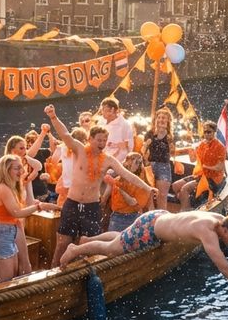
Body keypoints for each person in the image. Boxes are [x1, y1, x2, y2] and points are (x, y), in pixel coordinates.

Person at [60, 210, 228, 311]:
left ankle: (89, 239)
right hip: (150, 229)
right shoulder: (207, 232)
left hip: (157, 218)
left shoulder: (223, 221)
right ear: (225, 230)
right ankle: (75, 249)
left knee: (122, 240)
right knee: (112, 249)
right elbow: (224, 267)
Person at [44, 104, 156, 268]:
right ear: (90, 139)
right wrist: (53, 116)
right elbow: (65, 134)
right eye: (99, 140)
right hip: (72, 203)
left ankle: (85, 272)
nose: (102, 143)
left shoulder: (108, 160)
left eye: (105, 140)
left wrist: (147, 188)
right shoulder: (79, 150)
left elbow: (127, 174)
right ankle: (53, 270)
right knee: (62, 243)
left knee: (87, 245)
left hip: (91, 207)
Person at [0, 155, 59, 281]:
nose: (21, 171)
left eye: (21, 168)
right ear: (6, 170)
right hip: (1, 234)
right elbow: (17, 213)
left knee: (11, 277)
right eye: (17, 168)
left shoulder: (11, 186)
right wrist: (39, 206)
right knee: (6, 279)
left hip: (9, 231)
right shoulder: (3, 188)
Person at [172, 120, 227, 207]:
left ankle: (186, 211)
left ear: (215, 132)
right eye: (205, 132)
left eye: (209, 132)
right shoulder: (202, 144)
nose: (207, 134)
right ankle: (188, 202)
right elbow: (193, 160)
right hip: (200, 175)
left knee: (184, 189)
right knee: (175, 186)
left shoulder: (220, 147)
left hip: (213, 179)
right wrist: (191, 153)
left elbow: (220, 167)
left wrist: (206, 166)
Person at [105, 152, 153, 231]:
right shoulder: (118, 179)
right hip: (116, 216)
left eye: (138, 163)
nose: (135, 164)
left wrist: (119, 188)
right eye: (133, 161)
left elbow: (134, 204)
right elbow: (105, 198)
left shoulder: (143, 184)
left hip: (132, 218)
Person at [143, 107, 176, 210]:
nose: (161, 120)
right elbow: (143, 151)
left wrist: (165, 136)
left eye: (164, 118)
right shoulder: (150, 133)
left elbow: (173, 152)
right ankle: (151, 218)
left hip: (164, 167)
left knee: (162, 196)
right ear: (156, 119)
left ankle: (163, 219)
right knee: (149, 195)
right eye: (159, 117)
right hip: (150, 166)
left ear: (168, 121)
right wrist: (146, 145)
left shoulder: (170, 136)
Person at [100, 96, 133, 163]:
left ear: (112, 110)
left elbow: (129, 145)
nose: (101, 112)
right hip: (102, 158)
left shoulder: (124, 124)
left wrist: (115, 145)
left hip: (118, 161)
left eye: (103, 109)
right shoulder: (100, 122)